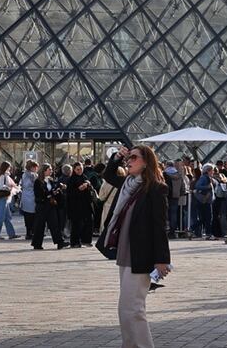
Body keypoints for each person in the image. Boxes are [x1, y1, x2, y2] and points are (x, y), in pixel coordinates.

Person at [96, 145, 170, 348]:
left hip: (142, 254)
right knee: (127, 308)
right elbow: (109, 174)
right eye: (128, 158)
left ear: (147, 162)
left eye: (134, 158)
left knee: (132, 308)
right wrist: (118, 156)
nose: (129, 161)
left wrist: (162, 259)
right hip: (125, 251)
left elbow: (159, 226)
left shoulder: (155, 188)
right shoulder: (127, 184)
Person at [31, 164, 64, 250]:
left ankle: (60, 242)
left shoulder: (51, 180)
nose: (51, 171)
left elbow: (53, 190)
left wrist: (58, 190)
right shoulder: (38, 182)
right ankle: (37, 244)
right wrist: (51, 194)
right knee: (40, 225)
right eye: (49, 169)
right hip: (41, 206)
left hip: (50, 205)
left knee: (54, 224)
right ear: (44, 171)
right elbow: (40, 194)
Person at [66, 162, 95, 247]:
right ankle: (75, 242)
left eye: (81, 169)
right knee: (76, 224)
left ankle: (86, 240)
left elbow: (90, 190)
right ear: (74, 170)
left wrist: (88, 185)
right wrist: (79, 189)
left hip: (86, 204)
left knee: (89, 222)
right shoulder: (71, 180)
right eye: (78, 169)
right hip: (75, 206)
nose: (80, 171)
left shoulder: (84, 177)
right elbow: (70, 194)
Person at [0, 162, 18, 240]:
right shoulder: (3, 176)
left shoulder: (3, 175)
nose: (10, 168)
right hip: (2, 197)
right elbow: (0, 186)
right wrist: (9, 188)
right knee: (1, 217)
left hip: (3, 198)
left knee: (7, 216)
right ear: (6, 167)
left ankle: (11, 234)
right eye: (9, 167)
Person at [98, 164, 124, 234]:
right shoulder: (124, 184)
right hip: (120, 207)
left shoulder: (106, 183)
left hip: (107, 207)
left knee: (106, 228)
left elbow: (101, 197)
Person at [19, 160, 38, 239]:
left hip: (26, 197)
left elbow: (23, 185)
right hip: (31, 197)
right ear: (32, 167)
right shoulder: (31, 175)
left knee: (27, 216)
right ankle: (31, 232)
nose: (37, 169)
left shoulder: (24, 174)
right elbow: (29, 185)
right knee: (32, 216)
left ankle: (29, 232)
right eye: (36, 167)